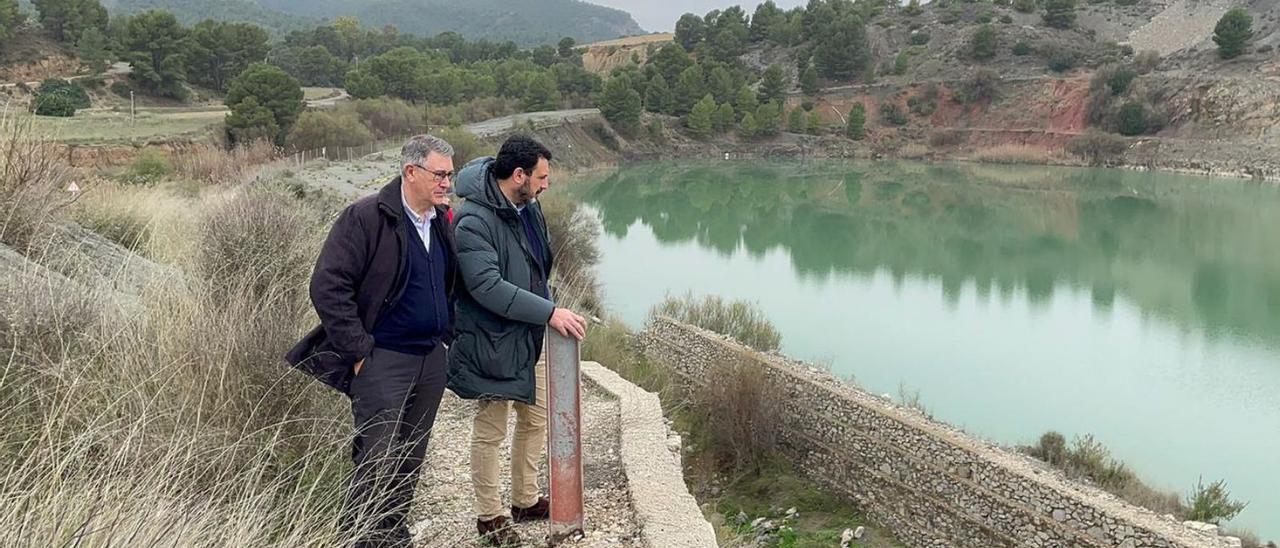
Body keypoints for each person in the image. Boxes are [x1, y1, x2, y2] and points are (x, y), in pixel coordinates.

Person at [285, 134, 458, 547]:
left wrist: (446, 337)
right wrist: (360, 351)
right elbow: (328, 286)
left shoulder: (441, 220)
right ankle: (360, 538)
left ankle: (391, 533)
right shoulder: (365, 217)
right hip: (384, 360)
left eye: (450, 175)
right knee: (375, 458)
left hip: (430, 359)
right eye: (439, 174)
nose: (446, 184)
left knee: (411, 455)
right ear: (410, 171)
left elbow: (447, 283)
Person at [448, 135, 588, 546]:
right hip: (490, 338)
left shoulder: (528, 207)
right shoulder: (473, 220)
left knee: (537, 416)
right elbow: (486, 286)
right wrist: (549, 312)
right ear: (519, 175)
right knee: (491, 426)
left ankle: (525, 500)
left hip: (528, 333)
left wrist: (545, 307)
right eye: (542, 177)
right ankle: (489, 517)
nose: (547, 184)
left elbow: (537, 268)